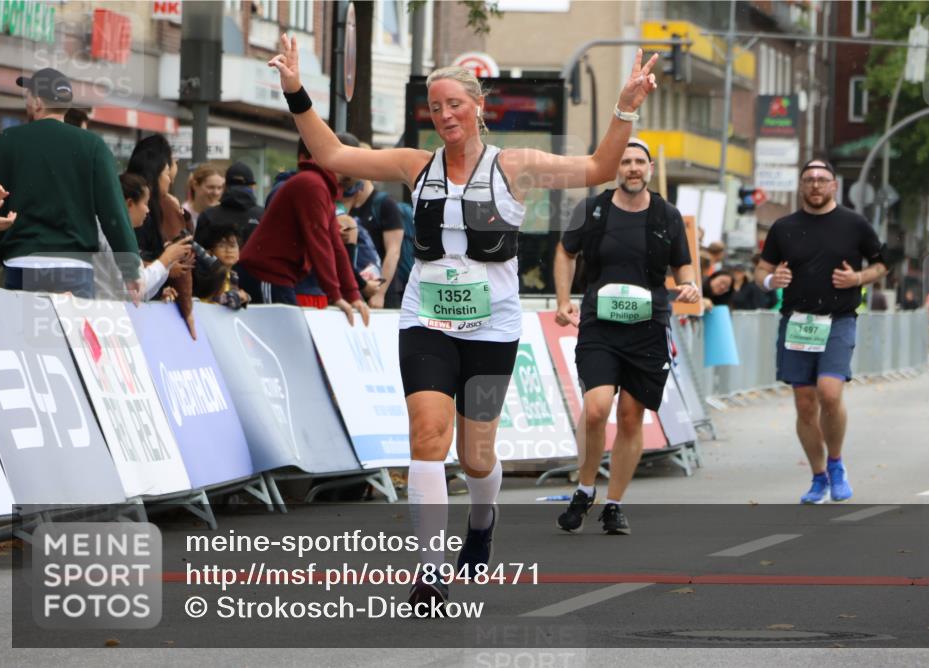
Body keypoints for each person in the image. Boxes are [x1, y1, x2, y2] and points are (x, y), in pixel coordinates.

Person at [269, 33, 657, 610]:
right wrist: (296, 90)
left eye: (455, 103)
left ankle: (482, 518)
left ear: (479, 106)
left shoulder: (516, 167)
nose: (445, 115)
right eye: (436, 106)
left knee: (477, 455)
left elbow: (601, 165)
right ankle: (429, 573)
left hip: (492, 328)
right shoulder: (414, 166)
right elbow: (333, 156)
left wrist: (626, 106)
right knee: (427, 437)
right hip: (425, 320)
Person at [553, 138, 698, 535]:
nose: (633, 168)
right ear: (617, 168)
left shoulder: (667, 216)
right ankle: (585, 488)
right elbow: (566, 252)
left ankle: (613, 503)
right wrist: (564, 301)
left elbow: (684, 267)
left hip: (648, 327)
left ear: (650, 168)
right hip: (600, 323)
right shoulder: (594, 209)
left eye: (640, 162)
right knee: (597, 407)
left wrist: (689, 286)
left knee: (631, 416)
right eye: (626, 161)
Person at [754, 158, 888, 504]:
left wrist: (857, 279)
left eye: (822, 179)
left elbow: (882, 263)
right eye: (809, 179)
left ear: (833, 186)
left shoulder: (854, 224)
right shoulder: (783, 227)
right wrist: (772, 280)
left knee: (829, 393)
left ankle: (837, 463)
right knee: (804, 403)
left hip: (839, 320)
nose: (815, 184)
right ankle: (818, 477)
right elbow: (761, 271)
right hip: (798, 322)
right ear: (801, 186)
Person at [0, 68, 140, 299]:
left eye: (28, 96)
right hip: (75, 266)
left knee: (27, 334)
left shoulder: (6, 141)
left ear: (38, 102)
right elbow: (114, 211)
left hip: (22, 262)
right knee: (70, 334)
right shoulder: (93, 146)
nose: (27, 102)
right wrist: (130, 269)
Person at [236, 137, 367, 325]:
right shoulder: (313, 185)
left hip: (276, 276)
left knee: (289, 340)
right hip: (266, 274)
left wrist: (352, 294)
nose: (364, 172)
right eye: (361, 163)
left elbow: (335, 246)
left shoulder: (320, 185)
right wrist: (337, 295)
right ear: (348, 160)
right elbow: (320, 243)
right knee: (285, 341)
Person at [126, 134, 198, 337]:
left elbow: (139, 280)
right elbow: (127, 277)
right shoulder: (120, 225)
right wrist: (166, 261)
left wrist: (159, 288)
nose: (147, 210)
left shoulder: (161, 206)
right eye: (168, 173)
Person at [92, 173, 193, 301]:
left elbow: (141, 293)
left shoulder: (118, 231)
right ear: (129, 204)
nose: (148, 210)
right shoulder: (110, 233)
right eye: (145, 203)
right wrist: (165, 259)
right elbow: (134, 289)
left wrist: (169, 260)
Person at [338, 141, 405, 309]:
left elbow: (393, 251)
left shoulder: (385, 204)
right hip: (357, 286)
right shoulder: (347, 201)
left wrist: (380, 293)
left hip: (383, 290)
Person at [196, 162, 263, 244]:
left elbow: (198, 253)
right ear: (253, 186)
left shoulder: (208, 216)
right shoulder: (263, 215)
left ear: (225, 186)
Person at [194, 219, 250, 309]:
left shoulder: (233, 276)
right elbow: (217, 299)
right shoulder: (209, 274)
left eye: (232, 246)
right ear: (210, 252)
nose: (228, 250)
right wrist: (238, 297)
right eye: (222, 245)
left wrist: (244, 298)